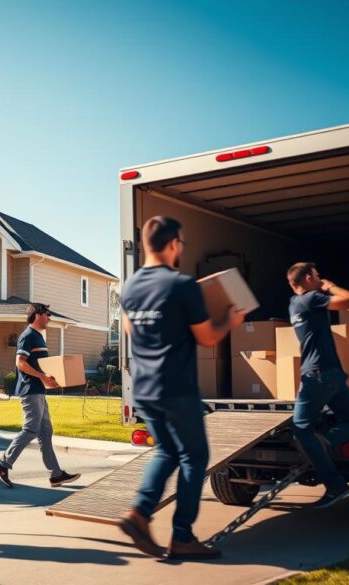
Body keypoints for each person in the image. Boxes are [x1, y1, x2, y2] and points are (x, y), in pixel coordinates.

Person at [119, 216, 245, 560]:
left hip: (144, 387)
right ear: (174, 243)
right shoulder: (181, 284)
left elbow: (131, 329)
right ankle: (182, 536)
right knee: (195, 457)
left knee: (167, 451)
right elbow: (207, 337)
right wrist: (230, 321)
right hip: (176, 385)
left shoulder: (128, 288)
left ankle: (139, 514)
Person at [286, 262, 349, 508]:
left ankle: (325, 443)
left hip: (324, 374)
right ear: (309, 278)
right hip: (323, 374)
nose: (321, 279)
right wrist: (330, 287)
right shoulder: (311, 299)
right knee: (302, 429)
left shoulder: (293, 303)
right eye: (318, 276)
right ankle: (335, 483)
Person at [0, 303, 81, 489]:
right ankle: (2, 464)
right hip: (30, 390)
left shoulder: (38, 337)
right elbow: (20, 363)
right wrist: (42, 377)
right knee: (30, 429)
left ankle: (56, 475)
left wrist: (50, 378)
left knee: (45, 432)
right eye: (47, 314)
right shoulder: (28, 336)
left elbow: (38, 366)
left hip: (39, 390)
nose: (50, 317)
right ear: (37, 315)